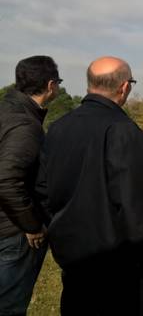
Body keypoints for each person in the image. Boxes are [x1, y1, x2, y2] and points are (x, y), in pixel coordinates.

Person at [35, 56, 143, 316]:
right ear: (125, 87)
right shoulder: (124, 129)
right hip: (117, 261)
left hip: (72, 254)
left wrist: (59, 230)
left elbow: (42, 191)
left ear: (90, 85)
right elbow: (134, 204)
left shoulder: (58, 128)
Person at [0, 56, 61, 315]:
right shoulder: (25, 124)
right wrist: (32, 225)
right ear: (50, 85)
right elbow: (6, 179)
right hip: (13, 231)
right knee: (10, 306)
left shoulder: (7, 111)